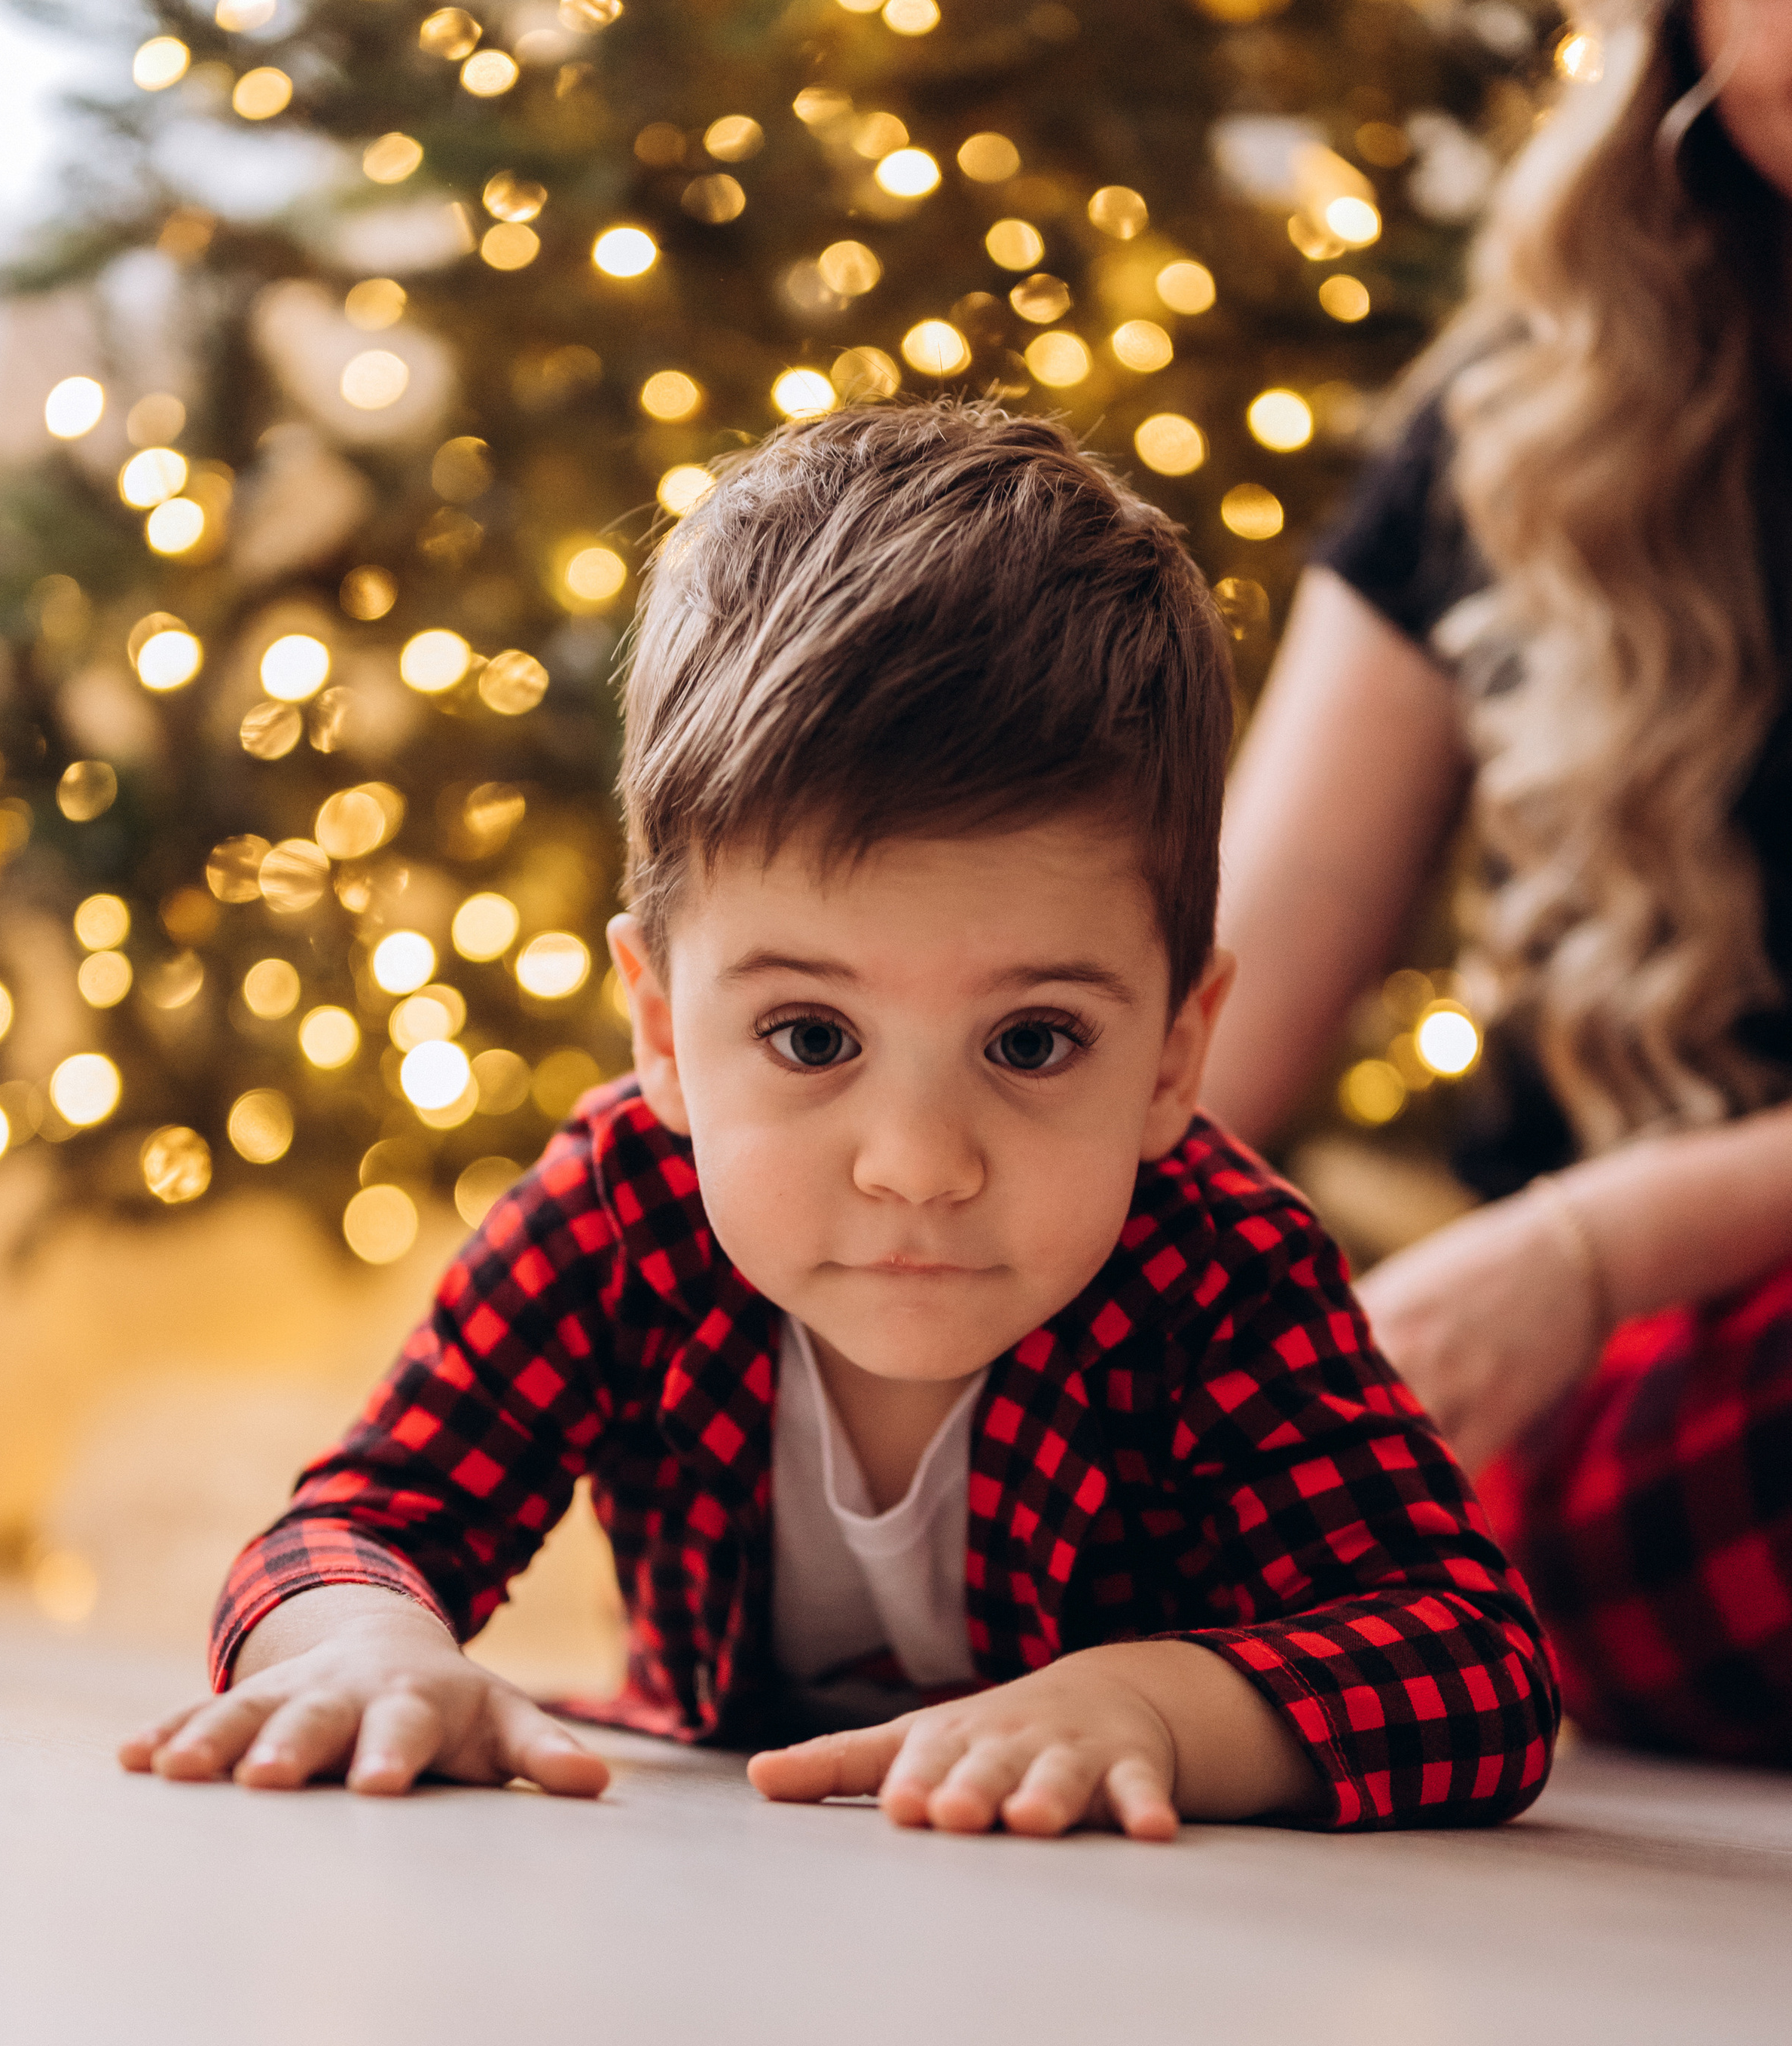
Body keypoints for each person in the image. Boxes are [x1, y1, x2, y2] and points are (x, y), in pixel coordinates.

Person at [123, 405, 1556, 1838]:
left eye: (1034, 1040)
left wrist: (1153, 1706)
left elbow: (1476, 1663)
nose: (920, 1163)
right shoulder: (622, 1213)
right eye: (812, 1037)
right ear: (663, 1028)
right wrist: (367, 1646)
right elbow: (353, 1526)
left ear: (1178, 1050)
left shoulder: (1217, 1271)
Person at [1206, 0, 1792, 1763]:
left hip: (1621, 1293)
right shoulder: (1533, 404)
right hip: (1638, 1407)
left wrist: (1591, 1244)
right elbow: (1205, 1011)